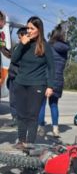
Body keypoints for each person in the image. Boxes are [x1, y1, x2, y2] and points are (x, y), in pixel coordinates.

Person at [11, 16, 54, 149]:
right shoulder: (24, 43)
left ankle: (30, 143)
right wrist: (21, 45)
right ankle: (21, 140)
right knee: (21, 115)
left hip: (37, 84)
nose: (28, 30)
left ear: (39, 30)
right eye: (27, 27)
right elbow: (14, 59)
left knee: (32, 115)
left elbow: (52, 67)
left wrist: (50, 86)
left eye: (32, 28)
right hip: (20, 83)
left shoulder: (45, 46)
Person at [38, 25, 69, 137]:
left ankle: (41, 128)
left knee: (41, 104)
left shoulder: (49, 46)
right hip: (59, 79)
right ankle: (55, 129)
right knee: (54, 104)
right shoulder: (65, 49)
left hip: (46, 77)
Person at [4, 27, 28, 127]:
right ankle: (15, 118)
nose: (19, 39)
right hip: (12, 76)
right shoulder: (17, 47)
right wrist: (3, 49)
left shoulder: (27, 49)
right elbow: (12, 56)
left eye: (20, 37)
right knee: (12, 100)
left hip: (19, 77)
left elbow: (17, 60)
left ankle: (21, 119)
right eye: (18, 37)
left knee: (19, 100)